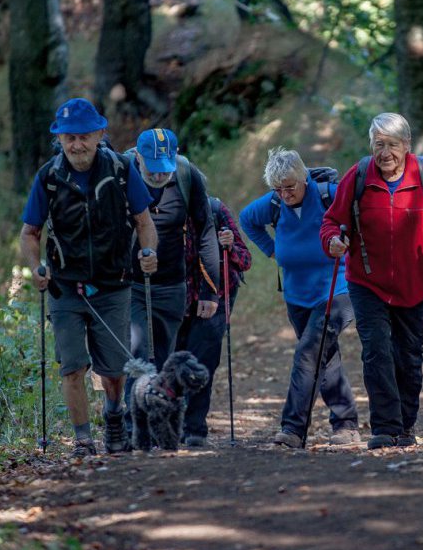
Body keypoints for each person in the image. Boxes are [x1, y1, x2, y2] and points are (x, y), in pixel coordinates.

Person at [320, 113, 423, 450]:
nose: (384, 152)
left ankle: (405, 424)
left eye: (392, 145)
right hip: (367, 280)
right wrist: (332, 240)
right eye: (378, 145)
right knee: (376, 351)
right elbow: (332, 221)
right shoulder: (358, 176)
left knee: (408, 354)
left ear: (406, 145)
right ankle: (385, 427)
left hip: (415, 280)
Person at [20, 97, 158, 457]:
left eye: (83, 136)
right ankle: (83, 438)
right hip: (65, 287)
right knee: (73, 367)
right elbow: (30, 232)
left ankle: (114, 415)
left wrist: (149, 252)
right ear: (60, 140)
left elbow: (144, 222)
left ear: (99, 134)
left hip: (114, 284)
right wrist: (36, 267)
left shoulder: (122, 169)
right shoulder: (49, 177)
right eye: (68, 138)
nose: (76, 145)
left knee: (113, 369)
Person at [240, 148, 360, 448]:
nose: (285, 194)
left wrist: (352, 249)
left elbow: (359, 216)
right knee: (324, 357)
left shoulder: (328, 194)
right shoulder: (273, 204)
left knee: (308, 354)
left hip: (337, 289)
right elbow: (246, 219)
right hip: (297, 295)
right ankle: (346, 426)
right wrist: (272, 249)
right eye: (278, 189)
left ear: (304, 178)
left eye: (290, 187)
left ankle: (293, 428)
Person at [123, 128, 222, 434]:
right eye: (151, 168)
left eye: (162, 169)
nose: (158, 175)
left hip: (171, 284)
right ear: (138, 158)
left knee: (165, 359)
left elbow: (206, 229)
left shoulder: (186, 175)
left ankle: (162, 425)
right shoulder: (120, 175)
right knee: (137, 353)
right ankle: (130, 427)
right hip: (129, 284)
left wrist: (210, 289)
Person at [175, 195, 252, 447]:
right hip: (175, 300)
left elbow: (245, 259)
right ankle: (172, 426)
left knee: (202, 363)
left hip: (215, 299)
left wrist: (228, 246)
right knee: (173, 362)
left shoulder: (216, 211)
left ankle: (195, 428)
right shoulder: (163, 214)